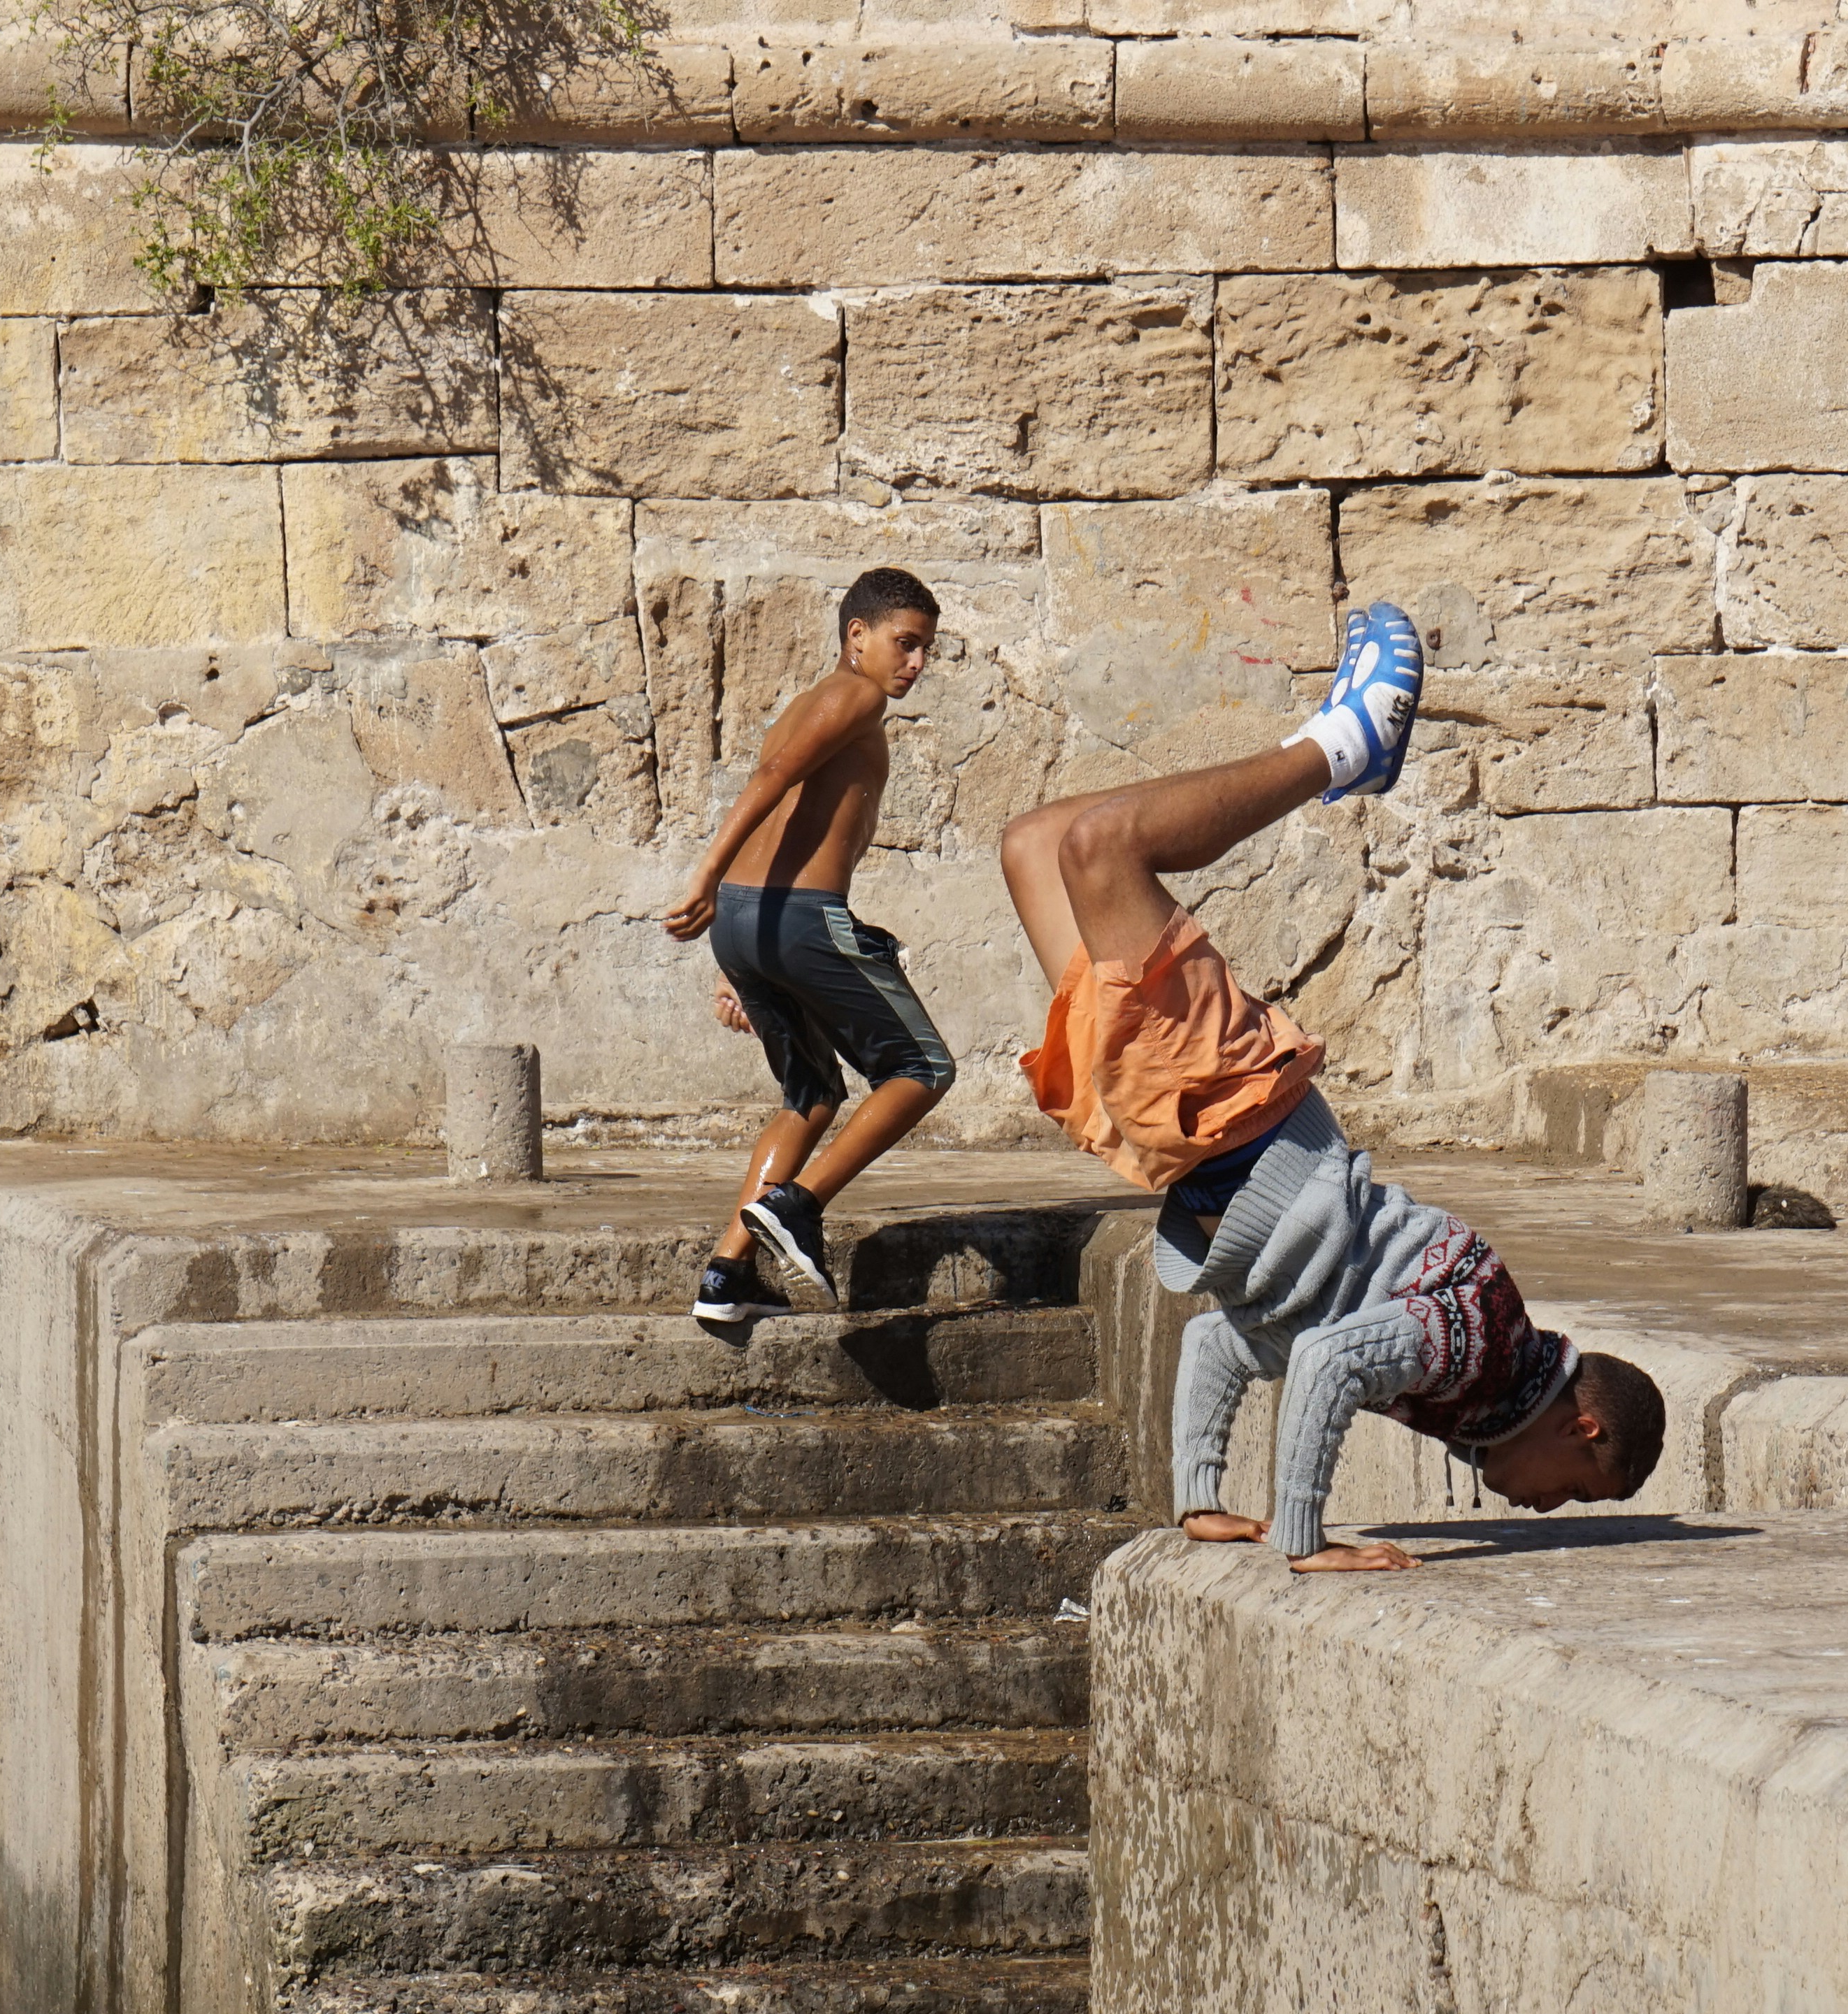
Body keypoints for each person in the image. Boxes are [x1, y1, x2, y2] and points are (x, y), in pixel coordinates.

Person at [994, 600, 1668, 1571]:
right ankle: (1344, 746)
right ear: (1585, 1430)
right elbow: (1325, 1363)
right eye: (1571, 1493)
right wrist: (1307, 1543)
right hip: (1248, 1129)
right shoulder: (1476, 1345)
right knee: (1102, 849)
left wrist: (1200, 1501)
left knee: (1034, 845)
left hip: (1196, 1153)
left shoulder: (1454, 1395)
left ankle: (1341, 745)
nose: (1540, 1507)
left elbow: (1224, 1349)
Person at [661, 568, 957, 1323]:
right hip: (792, 916)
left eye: (926, 648)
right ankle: (799, 1203)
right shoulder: (854, 694)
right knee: (922, 1067)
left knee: (812, 1093)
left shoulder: (808, 706)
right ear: (856, 635)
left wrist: (734, 953)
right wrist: (704, 872)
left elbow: (780, 802)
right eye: (905, 642)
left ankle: (726, 1275)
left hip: (750, 918)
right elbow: (772, 777)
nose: (915, 662)